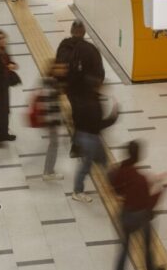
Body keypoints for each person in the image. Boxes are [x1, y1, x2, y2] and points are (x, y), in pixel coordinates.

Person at [110, 141, 166, 270]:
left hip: (125, 215)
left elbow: (116, 186)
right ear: (139, 155)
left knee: (123, 252)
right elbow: (148, 203)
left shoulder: (122, 170)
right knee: (147, 243)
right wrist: (161, 189)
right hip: (139, 217)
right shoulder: (140, 179)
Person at [55, 20, 105, 157]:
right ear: (84, 32)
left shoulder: (64, 46)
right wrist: (97, 86)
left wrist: (61, 85)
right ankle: (88, 143)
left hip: (72, 90)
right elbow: (100, 72)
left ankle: (76, 147)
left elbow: (58, 67)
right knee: (87, 116)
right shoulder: (91, 49)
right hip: (88, 92)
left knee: (77, 115)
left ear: (71, 31)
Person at [71, 81, 117, 202]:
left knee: (103, 159)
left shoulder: (84, 98)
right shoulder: (94, 104)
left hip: (84, 135)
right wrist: (113, 117)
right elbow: (98, 125)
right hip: (90, 138)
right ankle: (77, 191)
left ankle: (112, 185)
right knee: (86, 166)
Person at [38, 60, 66, 181]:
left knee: (53, 144)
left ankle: (49, 170)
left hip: (50, 120)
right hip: (51, 121)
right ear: (53, 70)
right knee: (53, 145)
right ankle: (48, 172)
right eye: (59, 68)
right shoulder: (51, 84)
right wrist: (56, 121)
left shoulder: (51, 82)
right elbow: (50, 106)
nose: (63, 70)